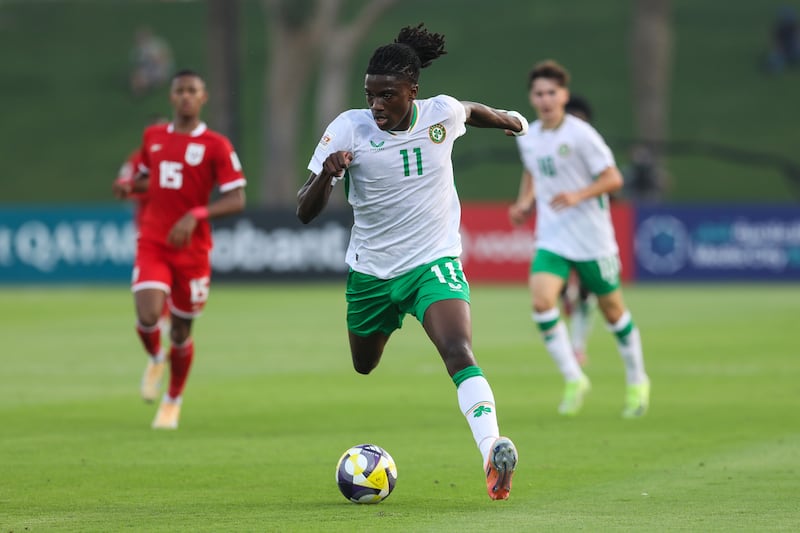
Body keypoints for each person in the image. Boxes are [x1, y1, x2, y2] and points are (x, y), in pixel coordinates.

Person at [296, 23, 524, 500]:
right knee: (364, 364)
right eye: (370, 95)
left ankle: (491, 451)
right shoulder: (347, 129)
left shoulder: (438, 114)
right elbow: (304, 210)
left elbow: (471, 111)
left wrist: (509, 120)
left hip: (432, 261)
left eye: (387, 95)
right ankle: (487, 444)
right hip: (372, 272)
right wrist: (328, 177)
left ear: (411, 92)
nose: (376, 104)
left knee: (458, 350)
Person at [508, 60, 650, 418]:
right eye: (539, 93)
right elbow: (533, 172)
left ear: (564, 96)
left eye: (551, 93)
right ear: (531, 97)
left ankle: (637, 380)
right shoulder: (529, 135)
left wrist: (578, 195)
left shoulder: (582, 135)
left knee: (613, 311)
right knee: (542, 302)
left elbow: (614, 179)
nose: (545, 99)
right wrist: (525, 202)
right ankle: (574, 378)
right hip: (553, 236)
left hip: (591, 238)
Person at [113, 69, 246, 429]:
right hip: (154, 240)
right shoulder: (153, 137)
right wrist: (130, 186)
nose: (186, 96)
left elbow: (236, 199)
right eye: (180, 90)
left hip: (192, 250)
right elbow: (149, 177)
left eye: (193, 90)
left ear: (203, 98)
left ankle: (172, 399)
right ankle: (156, 357)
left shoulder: (217, 145)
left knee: (181, 333)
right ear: (172, 97)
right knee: (148, 314)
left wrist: (197, 214)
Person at [115, 114, 171, 337]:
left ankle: (170, 315)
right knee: (153, 273)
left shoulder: (180, 157)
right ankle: (161, 317)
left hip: (176, 223)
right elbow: (125, 184)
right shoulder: (138, 159)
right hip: (147, 226)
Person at [129, 26, 174, 98]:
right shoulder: (137, 51)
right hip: (147, 71)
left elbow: (164, 59)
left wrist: (153, 58)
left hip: (160, 70)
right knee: (136, 78)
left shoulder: (157, 45)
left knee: (146, 81)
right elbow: (137, 66)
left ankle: (150, 85)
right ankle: (139, 91)